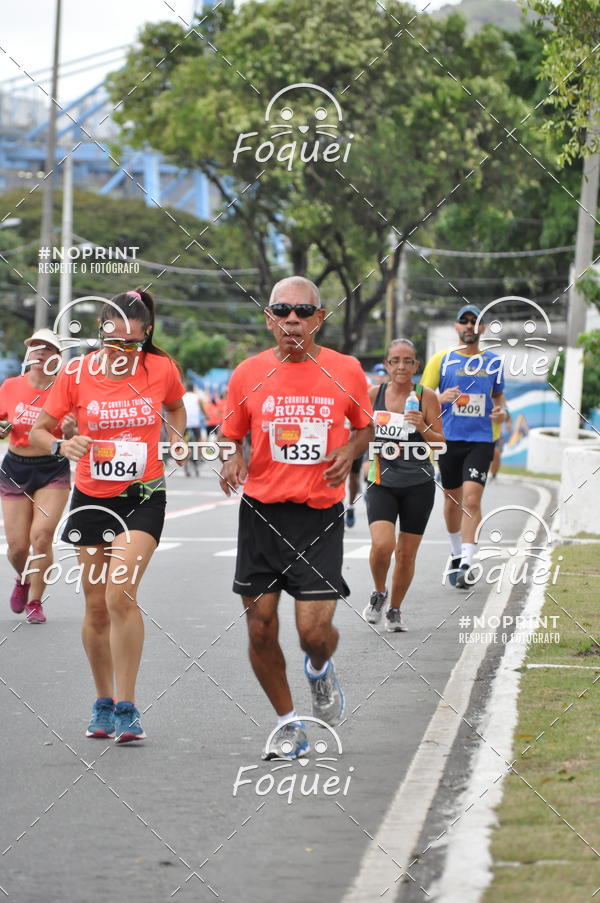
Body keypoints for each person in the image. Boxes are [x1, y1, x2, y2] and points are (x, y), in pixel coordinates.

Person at [218, 276, 373, 760]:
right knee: (260, 627)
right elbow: (230, 433)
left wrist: (349, 450)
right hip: (261, 515)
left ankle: (319, 669)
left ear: (319, 319)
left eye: (303, 312)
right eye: (282, 311)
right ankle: (288, 724)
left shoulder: (346, 371)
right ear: (269, 318)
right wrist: (232, 456)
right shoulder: (247, 373)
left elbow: (364, 427)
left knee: (313, 635)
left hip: (318, 517)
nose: (292, 320)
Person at [30, 289, 186, 743]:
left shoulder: (161, 368)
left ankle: (127, 706)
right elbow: (39, 430)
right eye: (112, 342)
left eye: (131, 344)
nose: (120, 352)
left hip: (143, 494)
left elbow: (176, 406)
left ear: (147, 335)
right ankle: (102, 700)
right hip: (92, 498)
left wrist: (176, 437)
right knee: (96, 605)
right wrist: (62, 445)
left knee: (120, 594)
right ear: (100, 333)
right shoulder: (76, 373)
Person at [421, 305, 509, 588]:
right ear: (456, 327)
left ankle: (468, 562)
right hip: (448, 439)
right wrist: (440, 397)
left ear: (483, 328)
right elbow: (421, 395)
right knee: (452, 500)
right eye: (465, 321)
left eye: (475, 321)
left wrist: (502, 413)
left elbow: (499, 399)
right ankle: (456, 552)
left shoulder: (494, 362)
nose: (470, 325)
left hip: (481, 440)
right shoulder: (441, 360)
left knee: (471, 500)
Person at [362, 339, 444, 631]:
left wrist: (422, 426)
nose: (401, 366)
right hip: (381, 481)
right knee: (382, 545)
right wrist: (364, 458)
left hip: (418, 485)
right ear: (386, 364)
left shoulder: (426, 397)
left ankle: (394, 610)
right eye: (395, 360)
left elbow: (441, 443)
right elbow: (361, 432)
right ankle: (378, 592)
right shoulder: (373, 395)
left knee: (406, 554)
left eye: (407, 361)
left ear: (416, 365)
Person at [0, 329, 76, 624]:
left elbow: (76, 434)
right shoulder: (11, 386)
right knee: (18, 547)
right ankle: (24, 578)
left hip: (51, 469)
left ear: (58, 356)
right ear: (28, 353)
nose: (41, 351)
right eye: (36, 346)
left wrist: (69, 432)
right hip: (15, 468)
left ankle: (35, 601)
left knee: (41, 537)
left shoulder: (65, 391)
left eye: (48, 348)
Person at [182, 382, 205, 477]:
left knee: (183, 441)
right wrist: (206, 415)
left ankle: (183, 457)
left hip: (185, 423)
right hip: (195, 423)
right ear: (193, 389)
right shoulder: (197, 397)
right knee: (199, 440)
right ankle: (199, 457)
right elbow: (202, 409)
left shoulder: (182, 397)